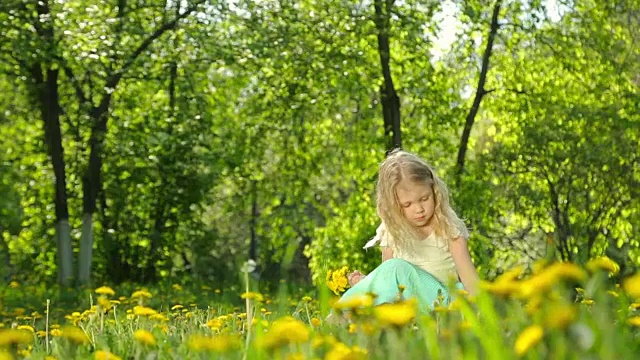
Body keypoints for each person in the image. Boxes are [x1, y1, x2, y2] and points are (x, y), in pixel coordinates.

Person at [334, 149, 480, 313]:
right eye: (407, 204)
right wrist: (368, 281)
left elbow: (471, 281)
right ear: (394, 206)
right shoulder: (392, 233)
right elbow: (389, 284)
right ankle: (342, 317)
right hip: (409, 310)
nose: (419, 209)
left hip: (444, 304)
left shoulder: (447, 227)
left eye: (424, 199)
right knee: (391, 273)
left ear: (434, 191)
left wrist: (479, 313)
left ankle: (341, 315)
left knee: (396, 267)